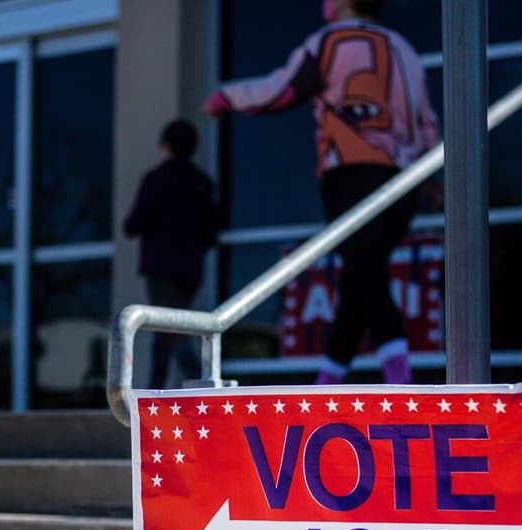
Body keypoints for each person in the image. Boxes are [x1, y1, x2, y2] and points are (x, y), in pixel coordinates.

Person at [204, 0, 438, 385]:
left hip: (351, 172)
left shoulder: (330, 41)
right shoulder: (406, 49)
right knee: (360, 277)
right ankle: (327, 381)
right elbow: (428, 123)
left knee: (366, 275)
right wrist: (432, 180)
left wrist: (226, 97)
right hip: (404, 181)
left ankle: (401, 382)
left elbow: (281, 91)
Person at [123, 119, 220, 388]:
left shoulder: (157, 179)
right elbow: (211, 233)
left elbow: (132, 224)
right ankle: (154, 391)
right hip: (190, 269)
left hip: (161, 268)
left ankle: (204, 383)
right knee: (164, 328)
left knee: (171, 330)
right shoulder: (201, 182)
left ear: (165, 145)